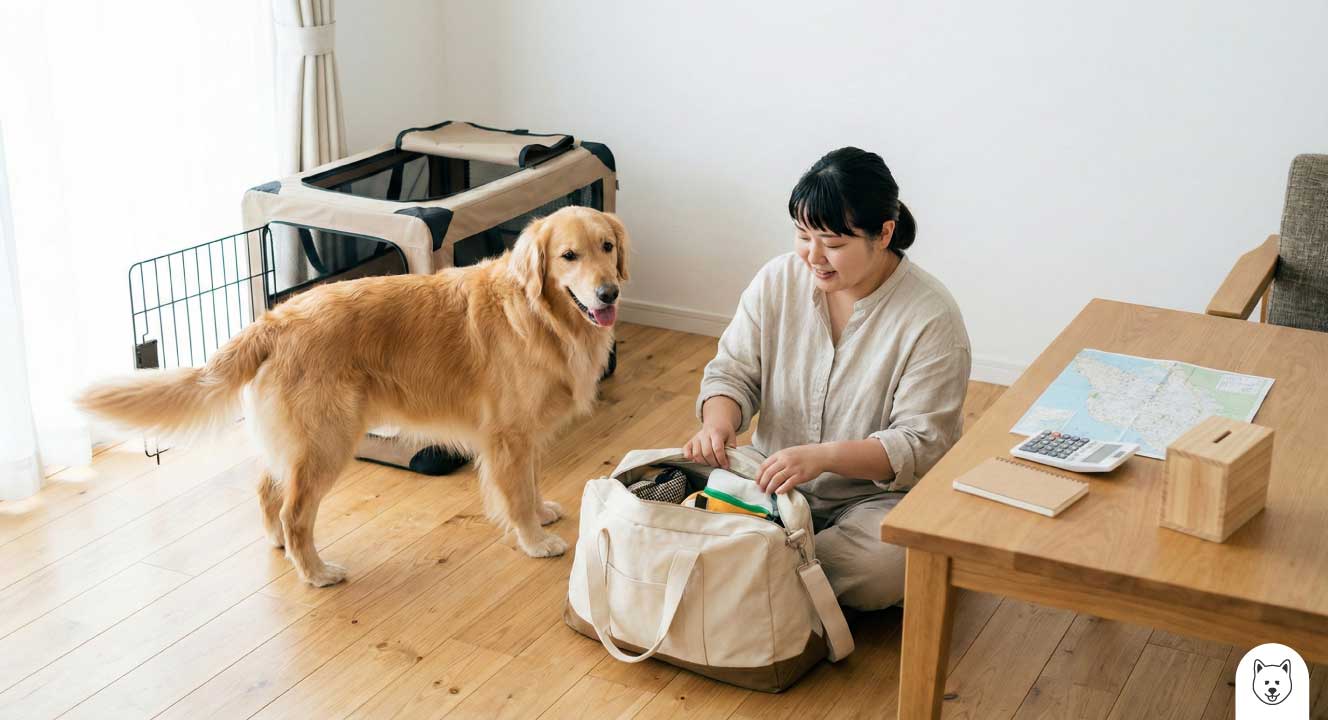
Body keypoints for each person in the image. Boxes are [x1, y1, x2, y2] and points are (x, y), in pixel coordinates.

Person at [683, 147, 971, 610]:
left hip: (874, 503)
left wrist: (824, 457)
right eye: (803, 235)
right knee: (680, 497)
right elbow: (732, 371)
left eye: (834, 244)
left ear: (884, 233)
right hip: (773, 482)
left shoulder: (931, 318)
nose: (814, 256)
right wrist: (718, 423)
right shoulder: (777, 280)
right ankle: (779, 583)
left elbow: (918, 444)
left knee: (889, 560)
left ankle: (744, 577)